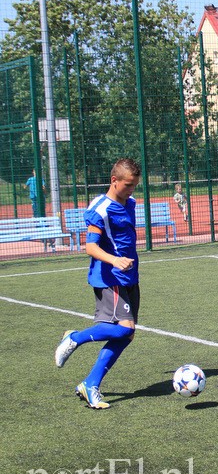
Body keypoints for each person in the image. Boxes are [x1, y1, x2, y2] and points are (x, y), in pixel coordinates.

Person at [54, 158, 142, 409]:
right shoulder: (100, 209)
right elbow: (90, 247)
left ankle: (90, 384)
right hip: (110, 278)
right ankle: (75, 338)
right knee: (124, 329)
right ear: (114, 180)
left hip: (130, 276)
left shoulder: (130, 203)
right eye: (128, 185)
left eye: (135, 185)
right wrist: (115, 260)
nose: (131, 190)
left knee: (126, 335)